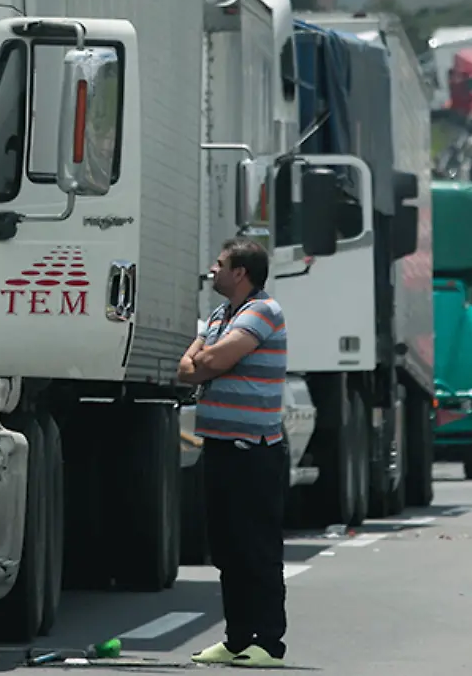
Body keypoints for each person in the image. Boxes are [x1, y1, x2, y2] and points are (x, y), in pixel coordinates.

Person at [177, 238, 289, 668]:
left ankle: (269, 641)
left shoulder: (263, 311)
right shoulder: (221, 315)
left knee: (256, 547)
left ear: (241, 272)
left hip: (253, 450)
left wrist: (204, 361)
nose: (212, 270)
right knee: (226, 549)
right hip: (220, 446)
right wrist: (203, 361)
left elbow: (211, 361)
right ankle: (238, 638)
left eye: (220, 264)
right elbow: (189, 368)